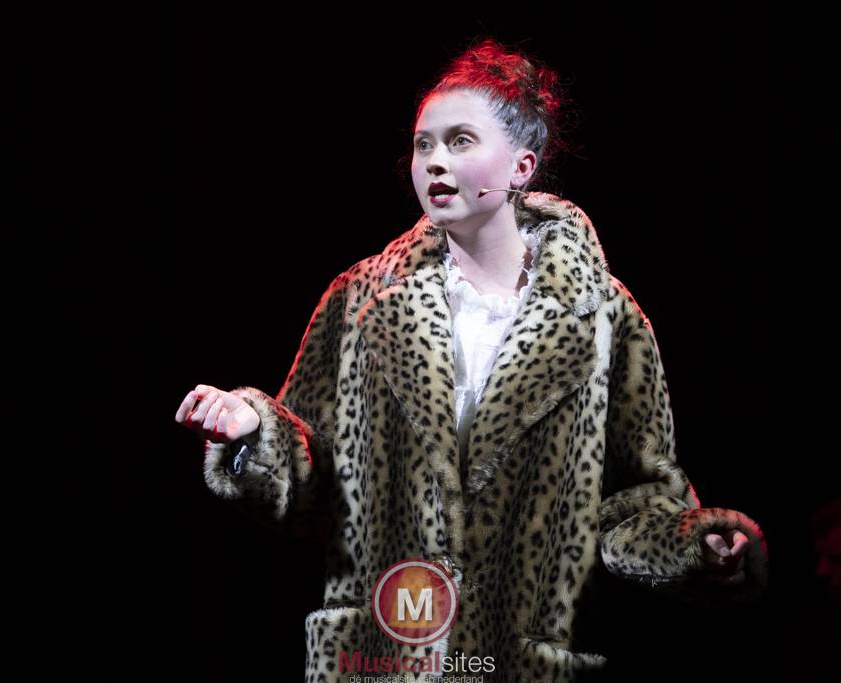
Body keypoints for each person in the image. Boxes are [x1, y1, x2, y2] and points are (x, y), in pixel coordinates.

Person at [175, 38, 769, 682]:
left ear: (521, 166)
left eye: (460, 141)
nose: (434, 160)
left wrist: (694, 547)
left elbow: (640, 498)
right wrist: (254, 431)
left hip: (523, 660)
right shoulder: (361, 300)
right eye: (423, 144)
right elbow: (312, 486)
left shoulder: (604, 316)